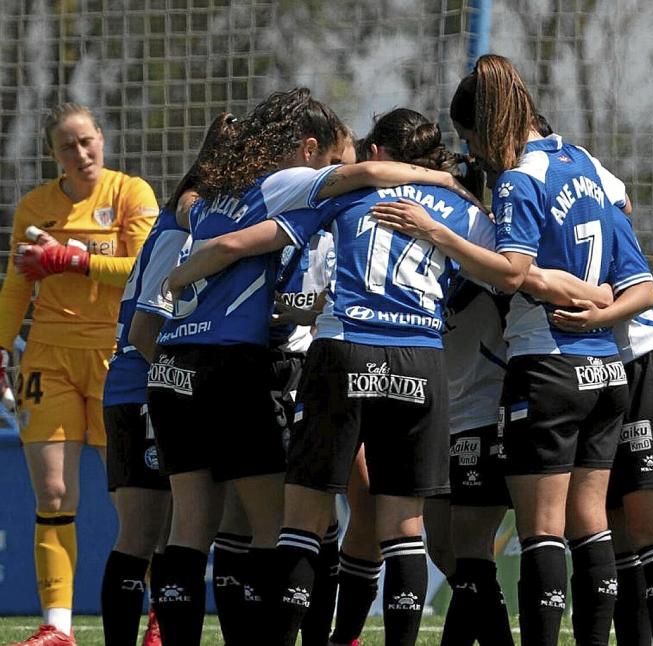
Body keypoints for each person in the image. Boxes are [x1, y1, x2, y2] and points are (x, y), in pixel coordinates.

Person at [166, 106, 615, 646]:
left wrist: (188, 265)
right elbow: (521, 277)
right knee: (404, 530)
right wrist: (596, 295)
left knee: (303, 520)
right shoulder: (464, 211)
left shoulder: (346, 194)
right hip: (418, 362)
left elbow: (251, 241)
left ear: (378, 153)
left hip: (344, 351)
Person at [148, 89, 472, 646]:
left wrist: (178, 279)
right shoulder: (288, 184)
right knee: (289, 527)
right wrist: (440, 181)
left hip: (174, 363)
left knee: (192, 527)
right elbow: (355, 180)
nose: (342, 173)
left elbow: (205, 227)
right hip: (241, 362)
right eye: (333, 161)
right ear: (307, 149)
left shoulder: (209, 197)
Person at [369, 54, 653, 646]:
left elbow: (510, 272)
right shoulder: (581, 164)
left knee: (542, 533)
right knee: (590, 527)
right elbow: (639, 280)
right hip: (605, 367)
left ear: (487, 124)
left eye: (470, 138)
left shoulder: (519, 180)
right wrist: (599, 302)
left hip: (547, 364)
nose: (470, 154)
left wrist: (437, 233)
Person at [0, 102, 158, 646]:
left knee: (135, 498)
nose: (82, 153)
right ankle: (57, 627)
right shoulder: (35, 207)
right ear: (53, 155)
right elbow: (16, 285)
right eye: (68, 146)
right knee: (54, 491)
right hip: (48, 356)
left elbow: (144, 269)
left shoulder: (130, 193)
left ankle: (160, 618)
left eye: (88, 140)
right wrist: (0, 348)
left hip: (120, 358)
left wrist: (70, 259)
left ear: (102, 139)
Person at [99, 111, 234, 646]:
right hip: (140, 391)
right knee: (142, 530)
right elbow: (142, 329)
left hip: (156, 390)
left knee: (176, 532)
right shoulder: (179, 231)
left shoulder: (194, 225)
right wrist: (185, 381)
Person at [552, 207, 653, 646]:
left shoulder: (589, 186)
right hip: (593, 368)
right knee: (609, 527)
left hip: (643, 358)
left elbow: (641, 291)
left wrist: (592, 309)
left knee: (651, 528)